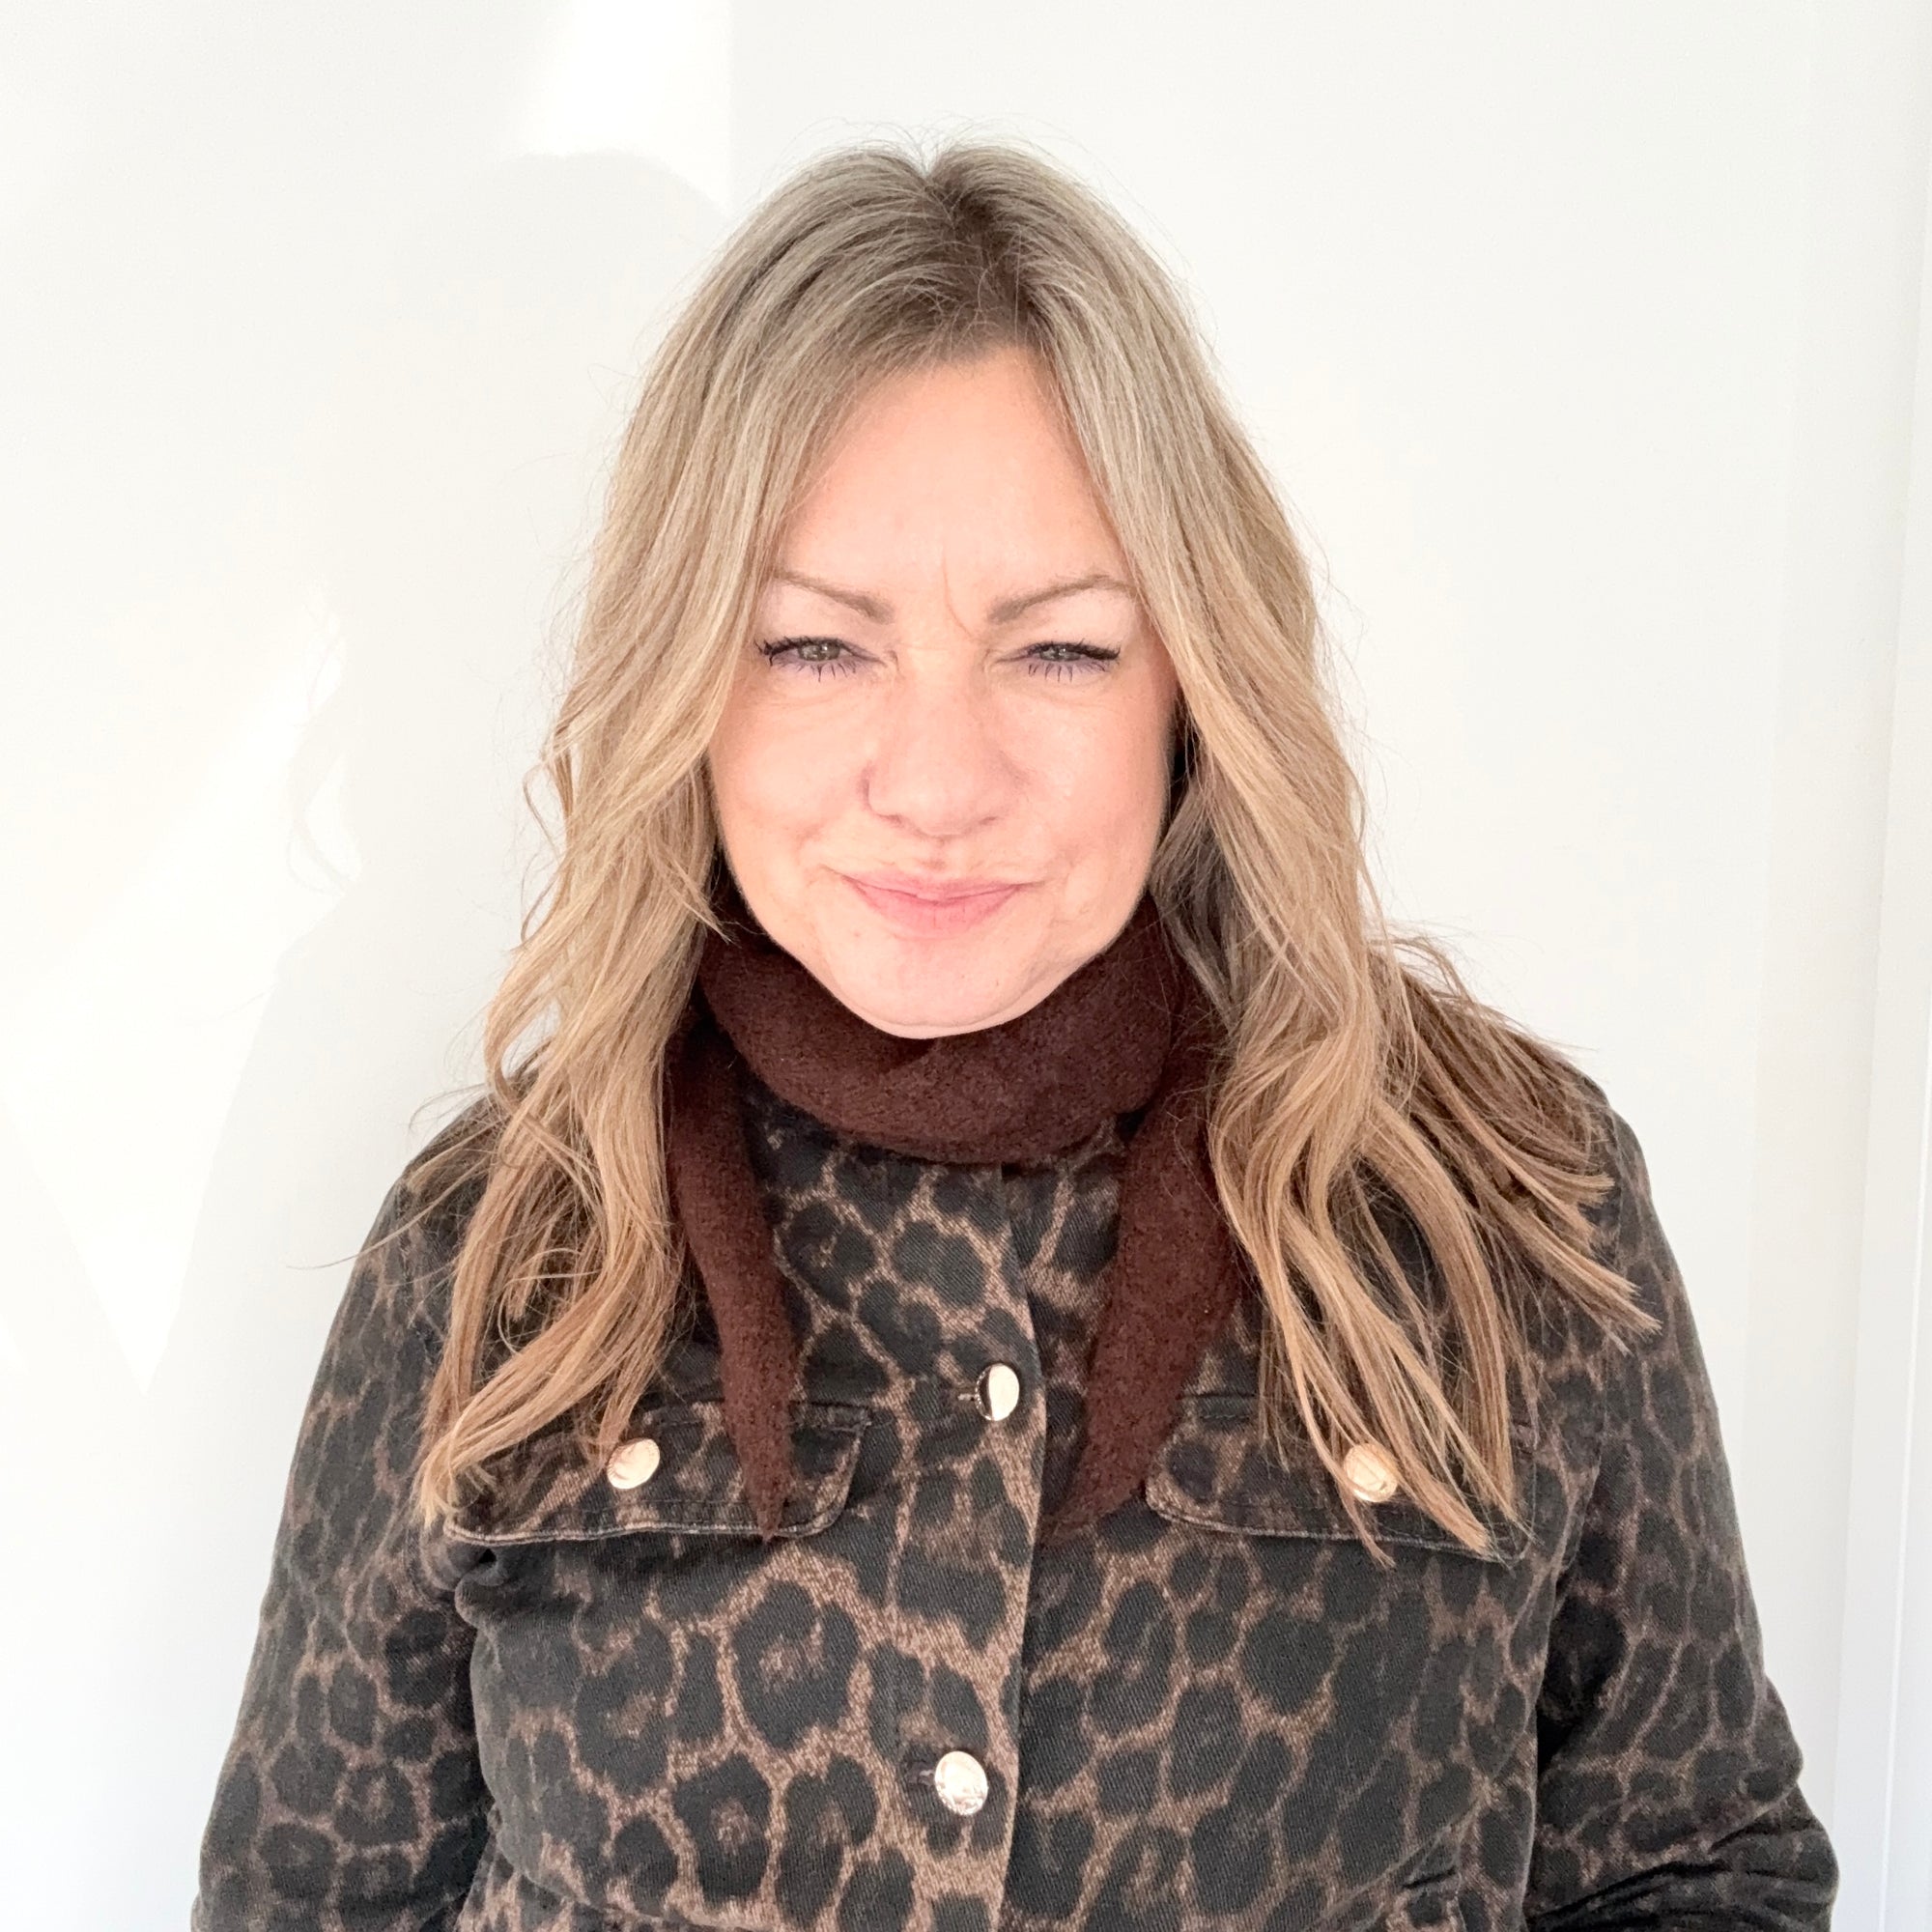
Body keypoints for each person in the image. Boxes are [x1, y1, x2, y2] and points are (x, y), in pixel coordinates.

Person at [191, 138, 1837, 1931]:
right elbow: (309, 1897)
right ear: (686, 683)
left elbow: (1694, 1867)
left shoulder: (1505, 1211)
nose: (940, 783)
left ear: (1193, 688)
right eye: (817, 648)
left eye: (1059, 653)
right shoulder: (497, 1262)